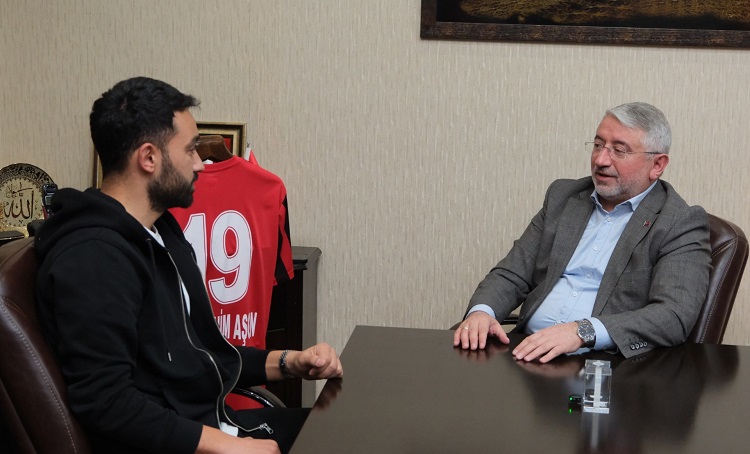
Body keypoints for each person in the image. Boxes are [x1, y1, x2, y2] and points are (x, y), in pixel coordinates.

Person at [34, 76, 342, 454]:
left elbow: (197, 353)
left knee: (351, 428)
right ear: (149, 158)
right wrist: (230, 447)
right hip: (182, 442)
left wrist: (289, 362)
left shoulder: (159, 228)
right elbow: (107, 403)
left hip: (211, 423)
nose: (200, 164)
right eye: (191, 149)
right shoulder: (93, 258)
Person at [453, 102, 711, 362]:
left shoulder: (679, 222)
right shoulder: (563, 197)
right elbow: (512, 273)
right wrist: (482, 312)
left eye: (619, 150)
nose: (600, 160)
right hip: (527, 354)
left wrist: (583, 331)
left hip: (606, 366)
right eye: (598, 145)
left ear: (657, 165)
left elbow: (673, 315)